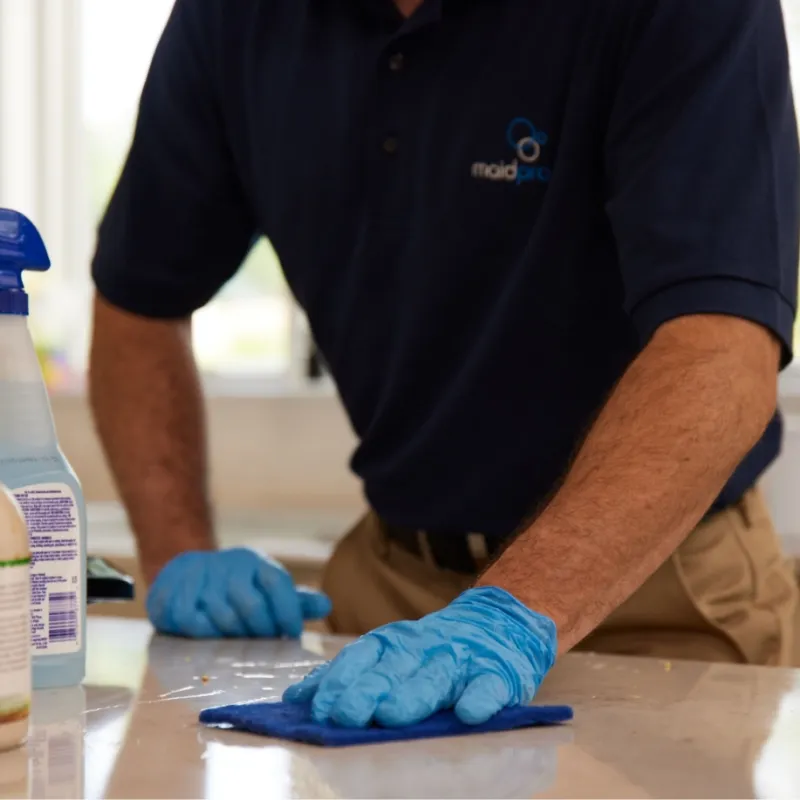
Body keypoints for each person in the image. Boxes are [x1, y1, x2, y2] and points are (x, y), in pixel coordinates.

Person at [89, 0, 800, 728]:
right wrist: (176, 553)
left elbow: (721, 351)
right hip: (387, 593)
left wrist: (514, 615)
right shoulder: (231, 19)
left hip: (655, 592)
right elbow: (138, 300)